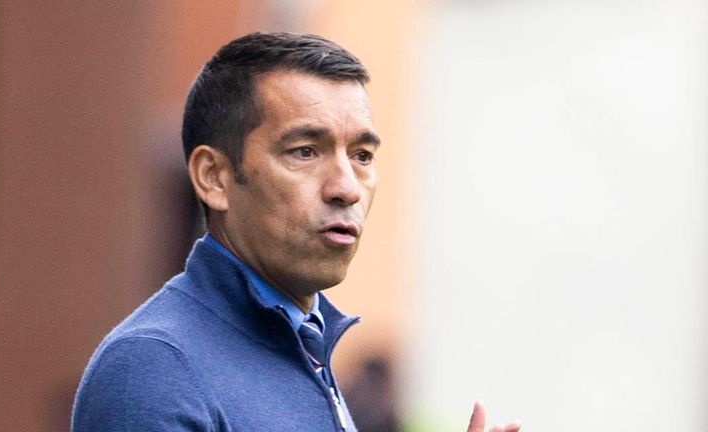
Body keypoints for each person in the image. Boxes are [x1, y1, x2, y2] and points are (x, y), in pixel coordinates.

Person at [71, 32, 520, 432]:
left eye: (362, 156)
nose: (346, 187)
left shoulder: (305, 346)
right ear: (214, 177)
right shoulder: (155, 368)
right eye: (305, 151)